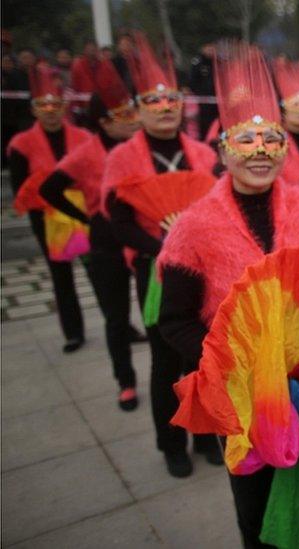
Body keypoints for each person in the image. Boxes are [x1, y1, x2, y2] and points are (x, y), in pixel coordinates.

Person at [157, 42, 299, 548]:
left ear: (284, 146)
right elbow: (175, 321)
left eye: (269, 138)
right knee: (260, 508)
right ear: (223, 149)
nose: (257, 151)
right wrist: (241, 359)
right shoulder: (194, 227)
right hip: (244, 390)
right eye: (243, 139)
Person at [102, 33, 219, 478]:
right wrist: (164, 244)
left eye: (172, 99)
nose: (165, 107)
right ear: (140, 107)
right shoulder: (122, 158)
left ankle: (207, 434)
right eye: (154, 100)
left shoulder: (205, 154)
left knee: (203, 353)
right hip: (154, 269)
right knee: (165, 359)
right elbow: (119, 223)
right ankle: (171, 442)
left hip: (205, 268)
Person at [39, 60, 145, 410]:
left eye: (132, 113)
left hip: (144, 237)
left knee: (156, 315)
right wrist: (82, 216)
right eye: (122, 117)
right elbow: (49, 189)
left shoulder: (142, 147)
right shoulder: (84, 154)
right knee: (115, 316)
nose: (131, 121)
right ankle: (125, 381)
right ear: (102, 122)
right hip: (105, 240)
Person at [7, 63, 93, 353]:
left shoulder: (83, 138)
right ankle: (73, 332)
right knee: (61, 275)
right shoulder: (21, 144)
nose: (50, 110)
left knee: (98, 271)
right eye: (43, 105)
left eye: (56, 104)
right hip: (46, 217)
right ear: (34, 109)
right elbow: (22, 190)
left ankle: (120, 324)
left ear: (64, 107)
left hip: (83, 212)